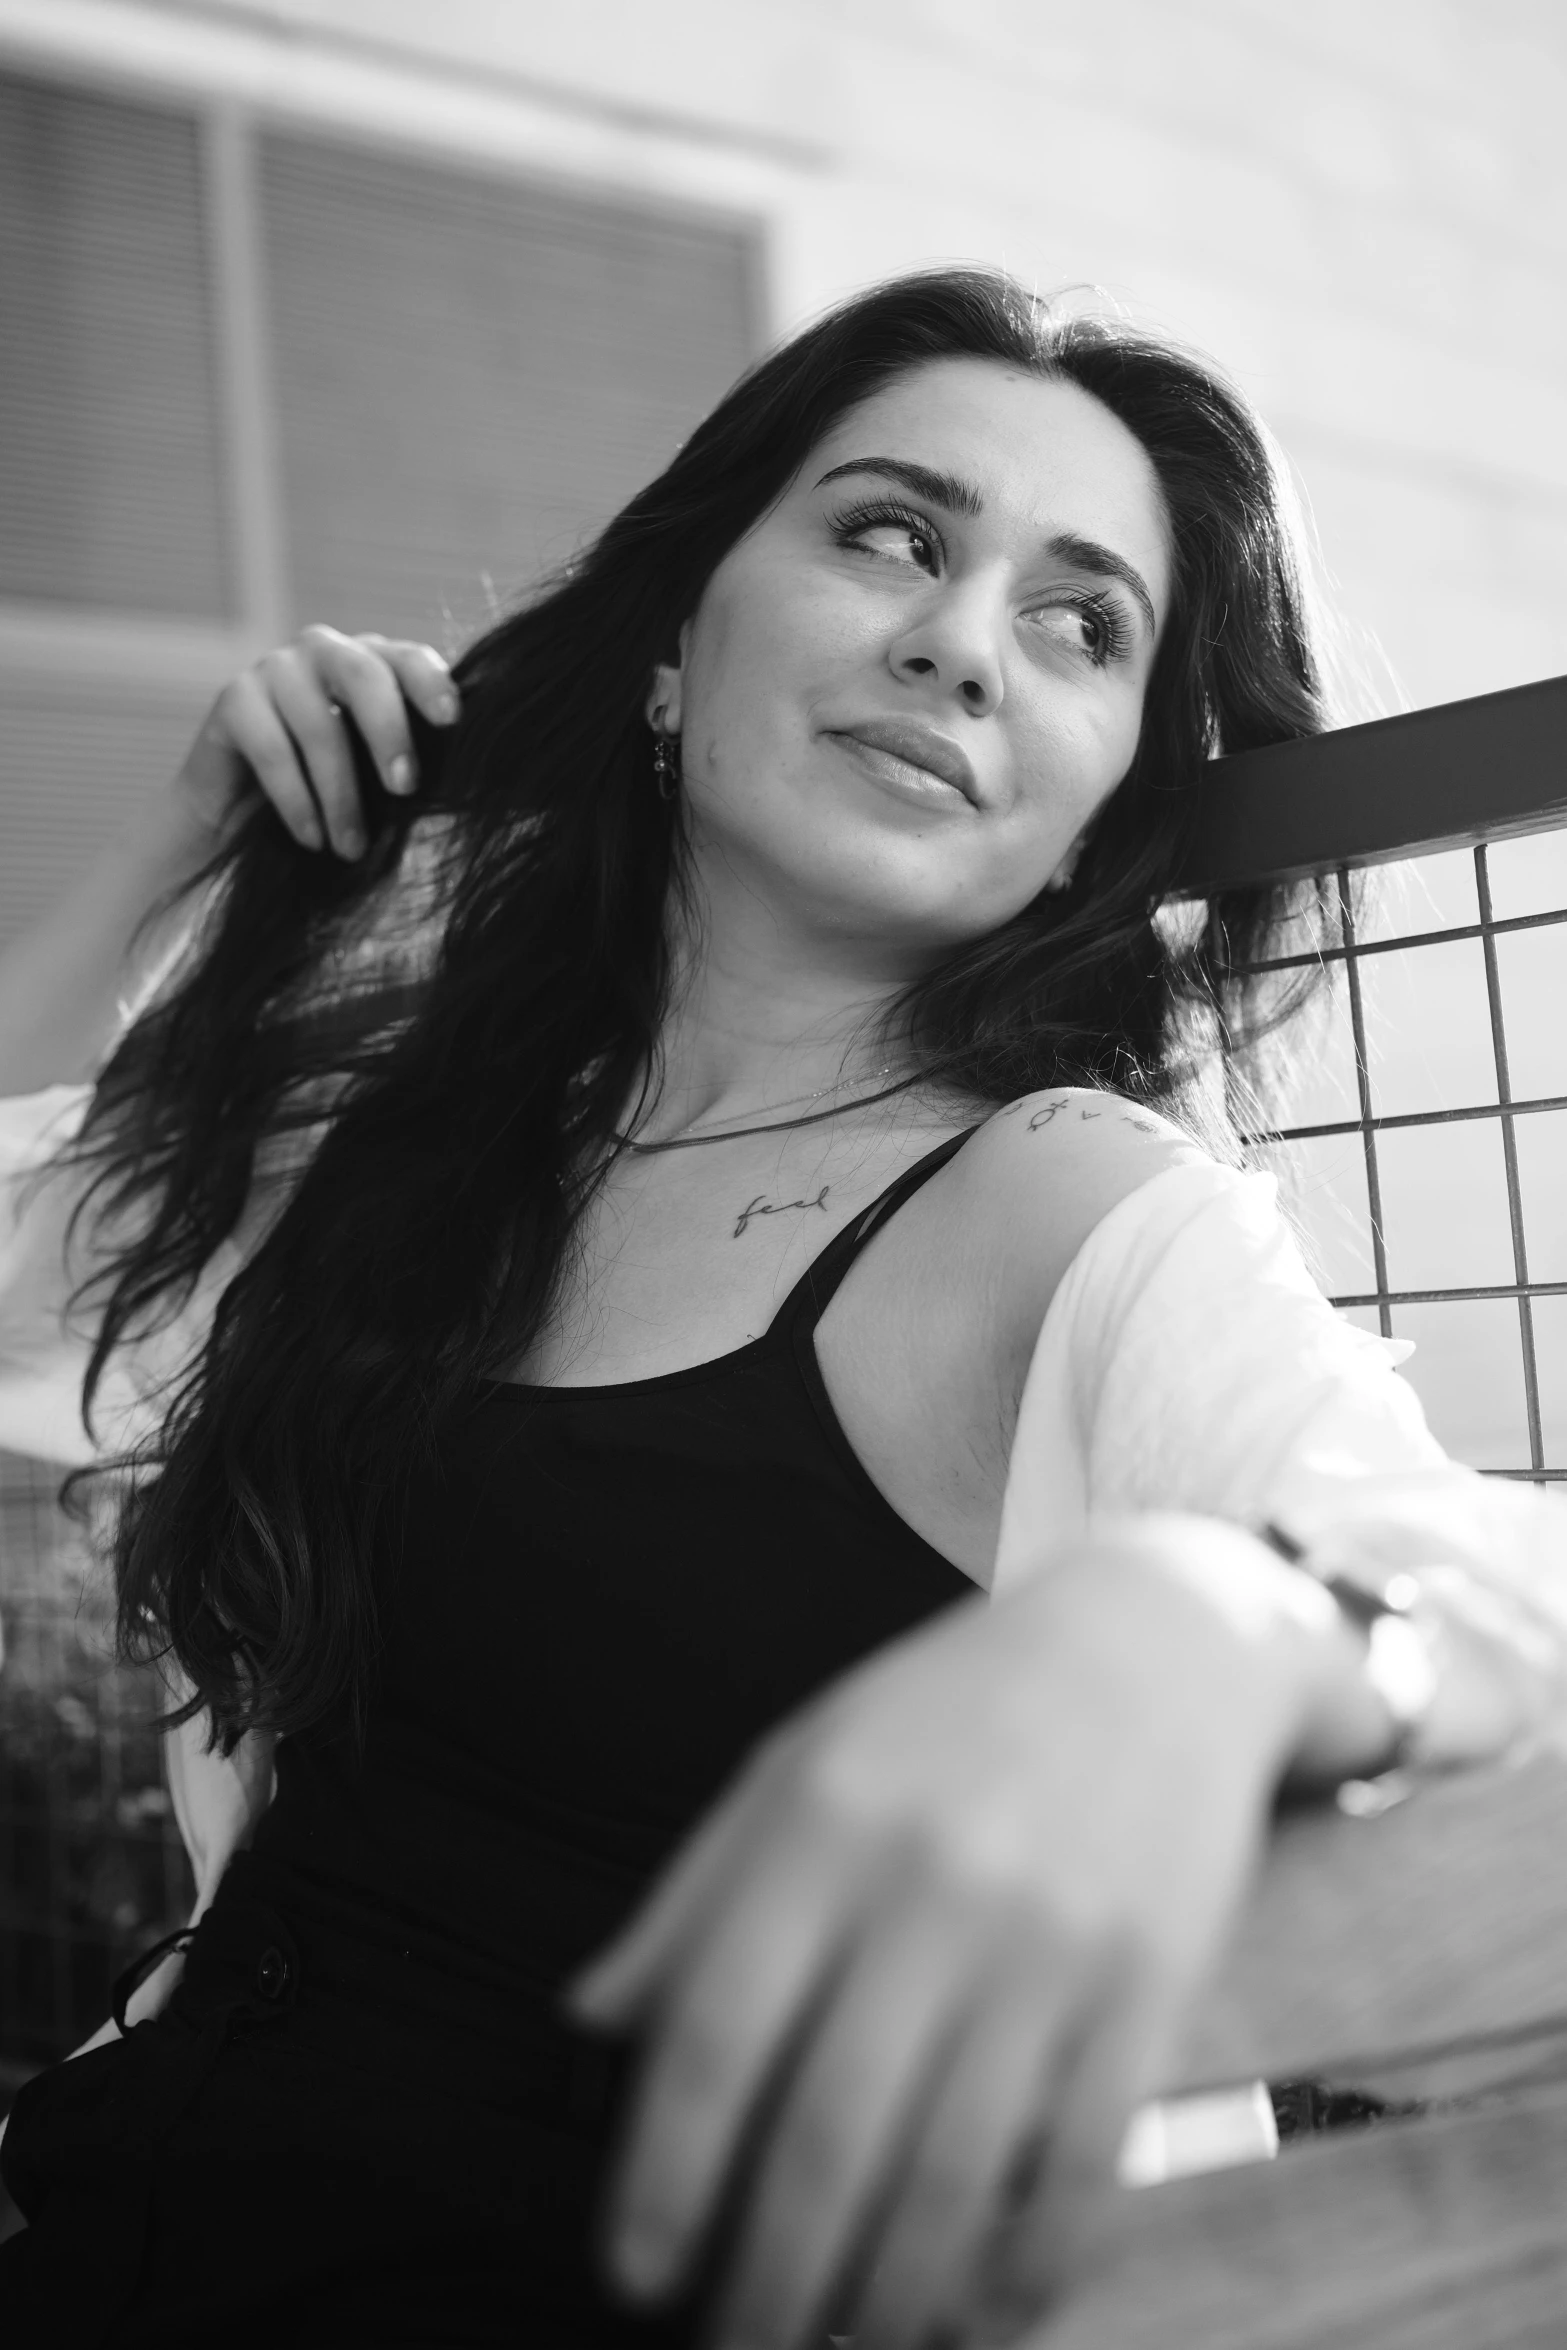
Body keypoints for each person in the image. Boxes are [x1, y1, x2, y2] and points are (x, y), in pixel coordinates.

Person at [0, 267, 1561, 2349]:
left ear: (1106, 794)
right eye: (893, 532)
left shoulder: (1075, 1204)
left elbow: (1493, 1587)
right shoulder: (424, 1138)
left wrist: (1252, 1617)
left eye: (1078, 620)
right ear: (669, 653)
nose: (958, 641)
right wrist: (195, 851)